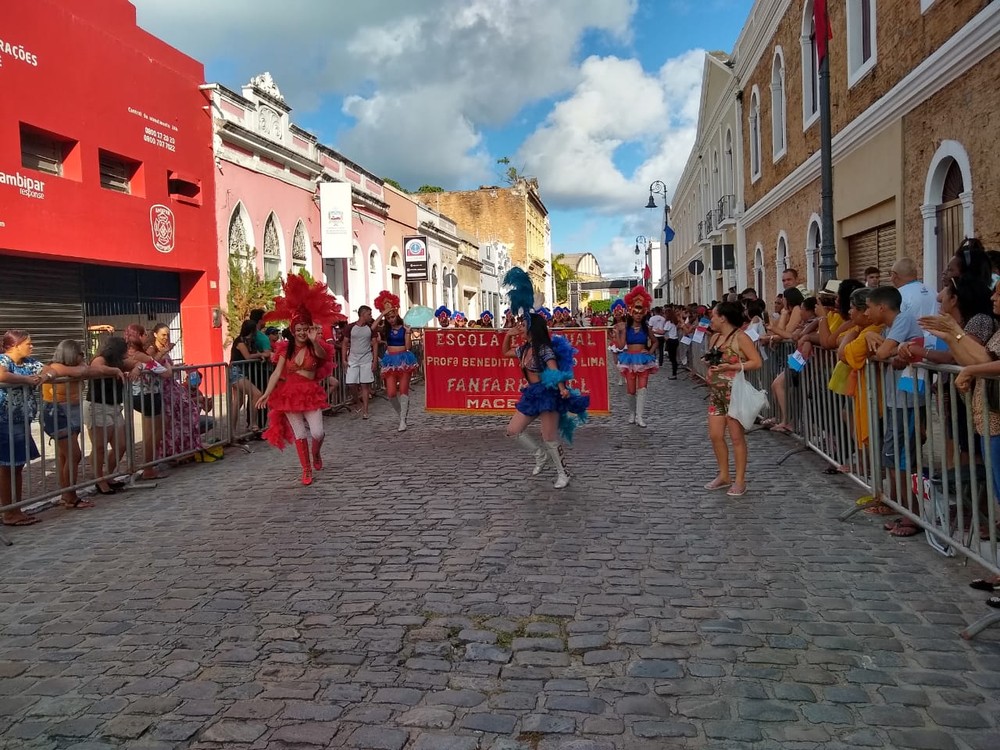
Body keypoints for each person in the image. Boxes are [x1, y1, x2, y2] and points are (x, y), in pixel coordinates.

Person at [501, 268, 589, 489]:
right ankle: (539, 455)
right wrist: (508, 336)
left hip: (548, 394)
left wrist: (561, 388)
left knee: (549, 437)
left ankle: (563, 473)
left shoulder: (544, 350)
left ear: (532, 327)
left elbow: (553, 369)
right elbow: (505, 353)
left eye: (523, 325)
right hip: (532, 394)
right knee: (513, 431)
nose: (520, 327)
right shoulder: (524, 349)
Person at [256, 275, 343, 485]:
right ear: (293, 332)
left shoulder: (315, 346)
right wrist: (267, 393)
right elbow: (277, 373)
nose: (302, 332)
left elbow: (323, 357)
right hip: (289, 395)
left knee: (318, 432)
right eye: (299, 330)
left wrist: (315, 341)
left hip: (310, 393)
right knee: (300, 433)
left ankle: (316, 454)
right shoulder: (286, 348)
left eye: (305, 329)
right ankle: (306, 470)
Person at [42, 339, 122, 509]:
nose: (82, 356)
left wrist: (114, 369)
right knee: (74, 454)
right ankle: (70, 495)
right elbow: (76, 371)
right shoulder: (54, 366)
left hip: (73, 410)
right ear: (71, 354)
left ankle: (67, 494)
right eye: (79, 353)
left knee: (65, 456)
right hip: (57, 411)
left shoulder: (79, 367)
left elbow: (93, 370)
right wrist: (82, 369)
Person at [703, 301, 763, 497]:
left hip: (733, 394)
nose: (711, 319)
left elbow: (756, 362)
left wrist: (733, 367)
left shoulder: (740, 337)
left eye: (713, 316)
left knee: (736, 438)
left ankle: (739, 480)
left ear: (723, 317)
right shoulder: (715, 338)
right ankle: (724, 474)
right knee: (715, 435)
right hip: (716, 394)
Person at [0, 331, 54, 526]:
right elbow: (1, 374)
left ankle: (16, 508)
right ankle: (8, 511)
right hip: (5, 421)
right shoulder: (4, 360)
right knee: (7, 467)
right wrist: (26, 380)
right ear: (15, 345)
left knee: (18, 466)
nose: (32, 346)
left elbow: (51, 369)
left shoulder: (29, 362)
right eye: (28, 343)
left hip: (22, 421)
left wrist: (43, 376)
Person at [147, 323, 202, 458]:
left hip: (172, 386)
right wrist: (164, 352)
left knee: (190, 412)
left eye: (168, 334)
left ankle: (184, 449)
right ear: (155, 334)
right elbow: (150, 363)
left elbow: (165, 365)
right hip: (162, 388)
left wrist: (177, 366)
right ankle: (170, 451)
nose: (166, 337)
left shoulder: (163, 349)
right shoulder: (152, 349)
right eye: (163, 335)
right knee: (170, 422)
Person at [126, 324, 172, 481]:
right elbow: (164, 372)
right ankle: (148, 468)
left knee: (152, 431)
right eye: (144, 334)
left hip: (141, 394)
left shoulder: (129, 353)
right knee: (152, 433)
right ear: (138, 336)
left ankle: (149, 466)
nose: (146, 337)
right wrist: (166, 363)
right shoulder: (141, 355)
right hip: (148, 394)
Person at [86, 336, 131, 495]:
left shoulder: (119, 362)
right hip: (98, 405)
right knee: (100, 446)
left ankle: (108, 474)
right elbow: (96, 368)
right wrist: (114, 371)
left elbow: (137, 363)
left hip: (114, 406)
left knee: (121, 445)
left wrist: (137, 368)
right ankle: (99, 480)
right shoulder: (101, 359)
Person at [374, 291, 418, 431]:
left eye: (392, 316)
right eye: (388, 317)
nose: (391, 319)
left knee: (403, 390)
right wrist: (382, 313)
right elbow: (372, 328)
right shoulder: (385, 329)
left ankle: (402, 421)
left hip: (404, 359)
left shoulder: (404, 327)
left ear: (396, 314)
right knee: (391, 393)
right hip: (390, 361)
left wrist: (408, 332)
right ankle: (401, 416)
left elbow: (408, 347)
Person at [615, 286, 658, 427]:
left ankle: (640, 416)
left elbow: (656, 341)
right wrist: (617, 334)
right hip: (629, 359)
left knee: (643, 388)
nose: (638, 315)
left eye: (640, 313)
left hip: (643, 360)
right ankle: (632, 413)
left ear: (644, 313)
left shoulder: (647, 328)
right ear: (631, 313)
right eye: (635, 312)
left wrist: (650, 352)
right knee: (631, 390)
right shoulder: (626, 329)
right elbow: (621, 346)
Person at [230, 320, 267, 438]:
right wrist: (261, 355)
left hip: (241, 372)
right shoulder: (240, 341)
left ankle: (232, 431)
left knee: (238, 401)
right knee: (257, 394)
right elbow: (248, 356)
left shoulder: (249, 342)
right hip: (237, 372)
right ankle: (253, 423)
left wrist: (259, 355)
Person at [343, 306, 378, 420]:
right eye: (369, 314)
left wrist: (375, 360)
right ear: (363, 314)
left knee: (365, 385)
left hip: (366, 358)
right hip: (353, 358)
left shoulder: (370, 328)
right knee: (351, 383)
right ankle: (357, 402)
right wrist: (344, 359)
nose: (370, 316)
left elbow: (375, 343)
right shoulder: (350, 327)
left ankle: (365, 410)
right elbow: (344, 343)